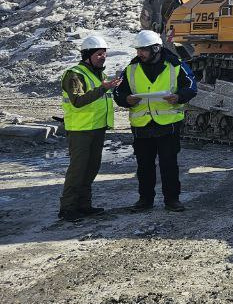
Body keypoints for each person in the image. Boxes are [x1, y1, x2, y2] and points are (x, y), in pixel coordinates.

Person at [113, 30, 197, 212]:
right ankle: (145, 200)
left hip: (168, 125)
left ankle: (172, 200)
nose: (139, 53)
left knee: (169, 165)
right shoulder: (131, 68)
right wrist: (126, 99)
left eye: (143, 50)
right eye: (138, 49)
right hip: (142, 126)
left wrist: (179, 96)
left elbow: (191, 86)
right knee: (144, 167)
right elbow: (118, 92)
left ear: (156, 48)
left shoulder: (176, 65)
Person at [58, 34, 123, 222]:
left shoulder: (99, 75)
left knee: (91, 168)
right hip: (80, 130)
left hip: (97, 128)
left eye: (104, 54)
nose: (103, 57)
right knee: (78, 170)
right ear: (87, 55)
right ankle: (68, 208)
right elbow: (78, 101)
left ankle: (84, 205)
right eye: (99, 54)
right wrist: (103, 88)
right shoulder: (74, 74)